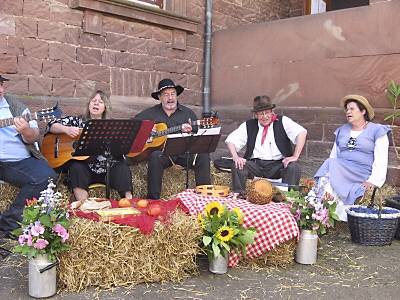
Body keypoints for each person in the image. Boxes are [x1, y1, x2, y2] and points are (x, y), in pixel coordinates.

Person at [46, 90, 133, 203]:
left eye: (100, 102)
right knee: (75, 166)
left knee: (122, 166)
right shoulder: (77, 121)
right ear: (88, 105)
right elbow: (50, 125)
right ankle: (85, 206)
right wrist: (66, 129)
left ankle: (129, 203)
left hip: (107, 170)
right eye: (93, 100)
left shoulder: (112, 126)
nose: (96, 103)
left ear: (105, 107)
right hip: (85, 170)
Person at [314, 94, 391, 221]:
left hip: (361, 172)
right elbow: (334, 156)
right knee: (328, 167)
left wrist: (374, 181)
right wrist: (334, 170)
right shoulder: (342, 131)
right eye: (347, 109)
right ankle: (323, 210)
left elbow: (381, 159)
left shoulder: (376, 130)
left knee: (329, 165)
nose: (348, 112)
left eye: (352, 109)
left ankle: (322, 208)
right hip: (342, 170)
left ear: (363, 111)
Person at [0, 75, 57, 239]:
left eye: (2, 84)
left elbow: (34, 137)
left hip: (16, 161)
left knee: (47, 177)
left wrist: (25, 130)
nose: (1, 90)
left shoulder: (17, 108)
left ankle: (8, 223)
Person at [135, 78, 211, 199]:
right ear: (159, 97)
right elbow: (133, 124)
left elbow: (198, 136)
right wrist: (147, 129)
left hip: (183, 153)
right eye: (166, 95)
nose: (170, 98)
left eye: (173, 94)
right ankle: (153, 200)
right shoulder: (151, 113)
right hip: (164, 154)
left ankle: (206, 197)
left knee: (203, 155)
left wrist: (191, 132)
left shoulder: (187, 113)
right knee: (155, 156)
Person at [226, 95, 307, 196]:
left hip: (278, 165)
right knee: (238, 165)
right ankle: (239, 194)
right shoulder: (249, 125)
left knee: (293, 167)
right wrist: (236, 157)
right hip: (256, 166)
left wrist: (295, 156)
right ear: (256, 114)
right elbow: (231, 140)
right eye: (261, 113)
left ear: (272, 111)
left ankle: (290, 198)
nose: (265, 116)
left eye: (267, 112)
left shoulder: (283, 121)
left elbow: (302, 133)